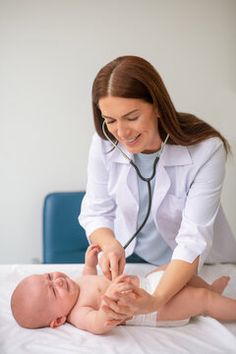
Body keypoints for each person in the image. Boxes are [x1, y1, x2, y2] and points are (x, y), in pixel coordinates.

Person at [79, 55, 236, 314]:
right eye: (110, 120)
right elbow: (96, 211)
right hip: (134, 259)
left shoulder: (206, 150)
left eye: (131, 117)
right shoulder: (104, 143)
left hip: (191, 263)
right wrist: (109, 244)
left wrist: (156, 300)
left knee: (201, 303)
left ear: (158, 106)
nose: (121, 132)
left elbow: (193, 240)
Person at [11, 245, 236, 335]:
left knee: (183, 273)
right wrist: (107, 309)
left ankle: (211, 289)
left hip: (148, 283)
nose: (58, 281)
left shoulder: (76, 285)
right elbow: (98, 324)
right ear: (58, 320)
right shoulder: (78, 313)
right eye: (53, 291)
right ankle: (214, 301)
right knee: (201, 299)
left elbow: (90, 277)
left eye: (49, 276)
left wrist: (89, 264)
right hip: (153, 310)